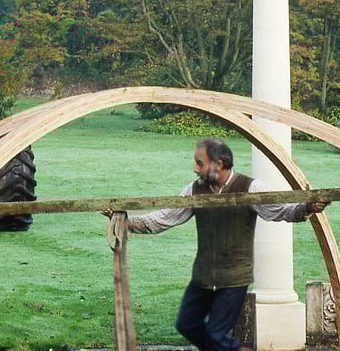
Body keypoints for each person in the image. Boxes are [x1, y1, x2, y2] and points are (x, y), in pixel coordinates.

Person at [107, 139, 328, 351]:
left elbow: (281, 210)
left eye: (199, 163)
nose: (194, 169)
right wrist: (127, 223)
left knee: (214, 336)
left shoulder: (250, 187)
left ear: (219, 164)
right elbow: (164, 218)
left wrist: (306, 207)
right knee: (186, 325)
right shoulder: (194, 190)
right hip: (203, 276)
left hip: (233, 278)